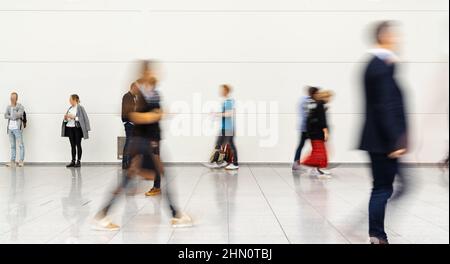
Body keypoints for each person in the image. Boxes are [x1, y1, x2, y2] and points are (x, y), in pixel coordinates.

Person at [92, 61, 192, 230]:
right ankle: (176, 215)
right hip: (140, 141)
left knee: (129, 178)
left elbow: (156, 113)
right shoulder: (137, 92)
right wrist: (154, 116)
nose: (157, 73)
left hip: (149, 140)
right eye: (153, 70)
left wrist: (160, 115)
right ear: (145, 72)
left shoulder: (153, 93)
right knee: (161, 174)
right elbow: (133, 116)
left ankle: (103, 214)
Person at [359, 21, 408, 244]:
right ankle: (377, 234)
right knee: (383, 188)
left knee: (388, 187)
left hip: (379, 139)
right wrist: (394, 140)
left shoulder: (378, 64)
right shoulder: (380, 66)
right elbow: (385, 105)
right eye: (394, 35)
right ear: (384, 36)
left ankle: (374, 232)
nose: (397, 38)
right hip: (384, 141)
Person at [301, 87, 332, 178]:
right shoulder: (320, 105)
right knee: (319, 152)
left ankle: (315, 170)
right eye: (329, 97)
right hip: (317, 133)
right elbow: (322, 121)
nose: (330, 99)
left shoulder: (317, 104)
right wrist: (326, 132)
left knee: (318, 151)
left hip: (313, 132)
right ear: (326, 97)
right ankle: (311, 167)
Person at [208, 84, 239, 170]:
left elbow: (228, 114)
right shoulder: (225, 101)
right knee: (218, 144)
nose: (220, 91)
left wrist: (216, 114)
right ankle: (217, 162)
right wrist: (216, 115)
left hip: (228, 128)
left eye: (221, 90)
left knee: (230, 145)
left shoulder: (228, 101)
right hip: (224, 127)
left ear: (226, 91)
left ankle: (235, 164)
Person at [61, 94, 91, 168]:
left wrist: (74, 117)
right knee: (72, 145)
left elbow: (84, 119)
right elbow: (67, 119)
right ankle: (73, 161)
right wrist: (65, 118)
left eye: (70, 99)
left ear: (75, 100)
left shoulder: (80, 108)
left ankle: (78, 161)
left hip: (77, 128)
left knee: (78, 144)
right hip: (70, 128)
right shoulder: (70, 108)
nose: (69, 101)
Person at [4, 92, 26, 167]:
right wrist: (12, 116)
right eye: (11, 97)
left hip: (17, 128)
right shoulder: (8, 106)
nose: (12, 99)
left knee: (21, 145)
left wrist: (12, 113)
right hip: (10, 129)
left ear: (16, 98)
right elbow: (5, 115)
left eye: (13, 97)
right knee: (12, 146)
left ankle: (21, 161)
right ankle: (12, 161)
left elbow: (20, 114)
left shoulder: (20, 106)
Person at [292, 87, 311, 171]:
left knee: (301, 145)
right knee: (316, 145)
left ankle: (296, 163)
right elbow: (308, 114)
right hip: (307, 127)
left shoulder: (302, 100)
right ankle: (314, 165)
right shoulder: (308, 101)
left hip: (303, 126)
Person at [121, 82, 139, 170]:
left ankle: (130, 163)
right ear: (133, 88)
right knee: (129, 142)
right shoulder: (127, 96)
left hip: (134, 123)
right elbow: (127, 110)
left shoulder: (134, 97)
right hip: (129, 123)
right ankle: (125, 163)